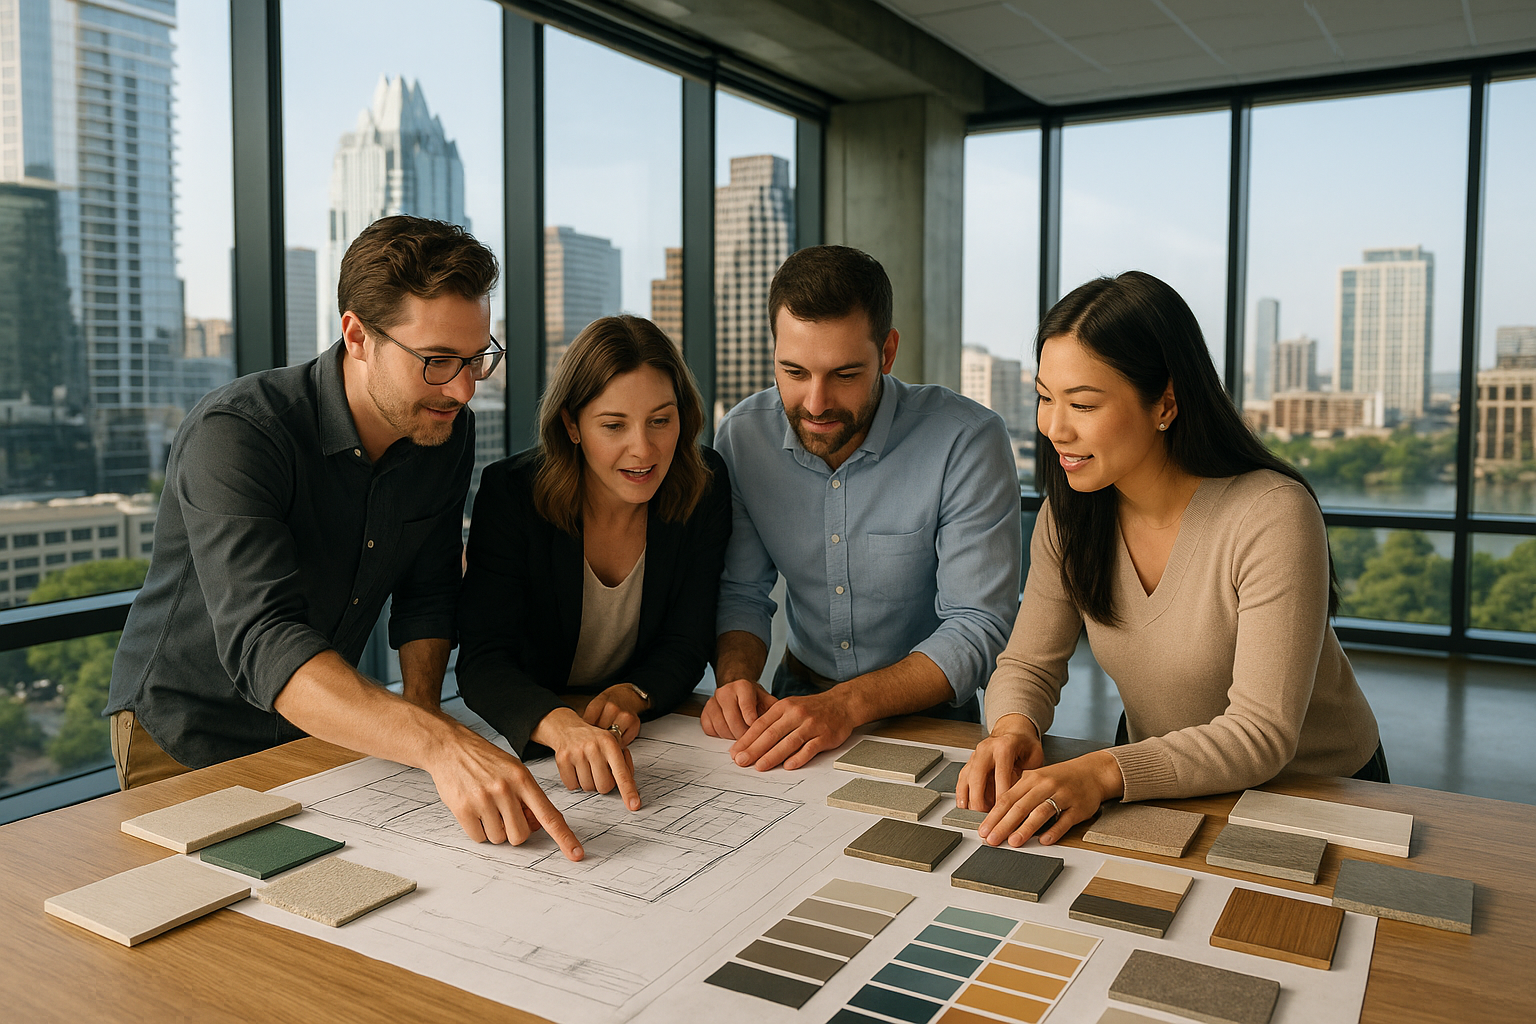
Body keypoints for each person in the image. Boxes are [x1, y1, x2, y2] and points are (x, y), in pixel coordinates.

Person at [107, 215, 583, 860]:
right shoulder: (240, 433)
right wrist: (435, 744)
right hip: (186, 732)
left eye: (476, 359)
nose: (463, 389)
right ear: (358, 336)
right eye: (437, 361)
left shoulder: (441, 428)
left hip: (325, 725)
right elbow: (264, 638)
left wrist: (423, 714)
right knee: (215, 942)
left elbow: (430, 586)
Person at [958, 271, 1387, 849]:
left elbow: (1261, 733)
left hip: (1316, 793)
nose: (1054, 428)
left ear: (1165, 402)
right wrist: (1012, 727)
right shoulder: (1073, 512)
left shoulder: (1271, 514)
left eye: (1082, 404)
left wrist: (1103, 770)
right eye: (1043, 397)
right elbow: (1029, 663)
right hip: (1164, 783)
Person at [703, 245, 1021, 771]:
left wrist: (844, 707)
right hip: (796, 698)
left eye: (845, 374)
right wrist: (736, 680)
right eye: (795, 372)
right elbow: (741, 591)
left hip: (931, 715)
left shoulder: (967, 440)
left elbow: (977, 624)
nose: (816, 403)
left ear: (888, 352)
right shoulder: (742, 436)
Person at [456, 315, 731, 809]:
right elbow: (482, 661)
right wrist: (557, 723)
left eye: (660, 420)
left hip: (645, 733)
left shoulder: (704, 485)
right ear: (571, 424)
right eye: (613, 425)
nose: (643, 449)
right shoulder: (511, 494)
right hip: (532, 728)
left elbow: (688, 639)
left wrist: (636, 694)